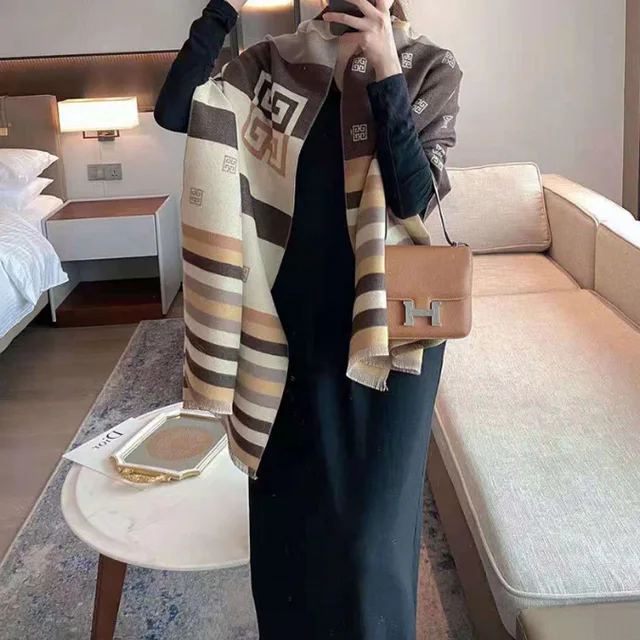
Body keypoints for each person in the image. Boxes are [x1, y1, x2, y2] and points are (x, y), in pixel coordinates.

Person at [155, 1, 461, 637]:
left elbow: (415, 197)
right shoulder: (271, 65)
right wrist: (223, 9)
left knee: (370, 545)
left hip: (384, 336)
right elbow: (176, 108)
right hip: (284, 334)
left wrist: (384, 68)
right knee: (289, 532)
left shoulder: (428, 66)